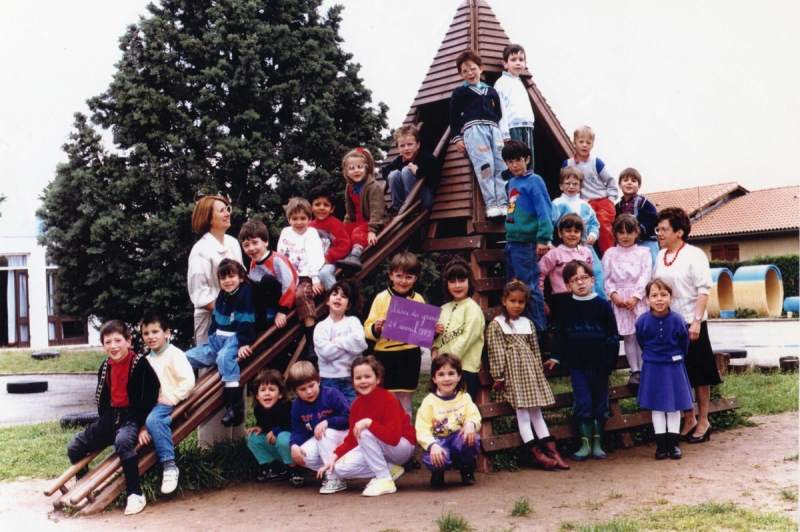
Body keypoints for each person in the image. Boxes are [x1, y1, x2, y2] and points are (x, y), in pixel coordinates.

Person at [66, 320, 159, 516]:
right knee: (74, 446)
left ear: (128, 342)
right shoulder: (106, 365)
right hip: (111, 417)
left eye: (118, 340)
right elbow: (103, 397)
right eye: (108, 342)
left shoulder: (139, 363)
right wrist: (104, 423)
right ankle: (84, 484)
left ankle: (135, 493)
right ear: (103, 345)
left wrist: (143, 426)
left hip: (133, 415)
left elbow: (150, 395)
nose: (113, 346)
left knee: (124, 440)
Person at [652, 207, 720, 444]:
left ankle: (703, 421)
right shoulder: (660, 256)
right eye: (657, 229)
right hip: (670, 323)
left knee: (700, 373)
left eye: (663, 229)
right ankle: (688, 418)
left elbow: (703, 289)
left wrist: (696, 322)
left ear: (679, 232)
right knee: (679, 373)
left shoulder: (695, 254)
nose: (659, 233)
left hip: (693, 322)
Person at [486, 281, 569, 471]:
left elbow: (535, 350)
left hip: (529, 374)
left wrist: (538, 375)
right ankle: (537, 455)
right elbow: (495, 352)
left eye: (521, 302)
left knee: (537, 413)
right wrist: (499, 377)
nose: (517, 305)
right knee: (523, 415)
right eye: (512, 301)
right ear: (504, 301)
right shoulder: (497, 325)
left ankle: (553, 452)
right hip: (512, 374)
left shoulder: (528, 323)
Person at [549, 260, 620, 461]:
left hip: (600, 365)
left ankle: (597, 443)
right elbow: (560, 334)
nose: (580, 283)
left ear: (592, 280)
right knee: (583, 403)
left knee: (600, 404)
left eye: (584, 278)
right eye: (574, 280)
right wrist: (556, 356)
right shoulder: (565, 307)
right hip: (578, 366)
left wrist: (609, 362)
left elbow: (612, 337)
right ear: (567, 285)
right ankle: (584, 444)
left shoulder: (602, 305)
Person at [316, 356, 416, 496]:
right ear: (352, 381)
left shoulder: (389, 399)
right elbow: (352, 439)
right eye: (358, 378)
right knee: (339, 468)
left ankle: (384, 479)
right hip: (380, 447)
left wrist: (369, 423)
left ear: (378, 378)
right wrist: (334, 456)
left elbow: (393, 438)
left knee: (364, 432)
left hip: (401, 447)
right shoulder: (356, 404)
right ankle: (389, 469)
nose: (363, 381)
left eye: (367, 376)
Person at [185, 259, 255, 427]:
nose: (227, 281)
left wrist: (244, 342)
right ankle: (179, 391)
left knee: (224, 358)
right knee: (185, 357)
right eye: (223, 278)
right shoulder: (223, 295)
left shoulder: (244, 293)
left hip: (234, 339)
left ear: (241, 277)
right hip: (216, 340)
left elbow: (246, 320)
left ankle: (234, 407)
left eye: (231, 276)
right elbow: (215, 318)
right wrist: (212, 337)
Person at [636, 278, 695, 460]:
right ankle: (661, 447)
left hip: (674, 367)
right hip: (653, 367)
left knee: (674, 407)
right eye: (654, 295)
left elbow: (684, 344)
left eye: (664, 295)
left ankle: (674, 445)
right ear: (647, 299)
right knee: (657, 407)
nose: (659, 299)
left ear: (671, 297)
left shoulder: (678, 320)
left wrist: (674, 359)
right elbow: (641, 342)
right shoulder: (642, 321)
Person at [364, 251, 426, 417]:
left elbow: (423, 331)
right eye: (399, 276)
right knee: (386, 402)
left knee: (406, 405)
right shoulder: (381, 298)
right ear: (390, 275)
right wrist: (376, 328)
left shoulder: (418, 299)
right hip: (385, 357)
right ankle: (387, 439)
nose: (403, 281)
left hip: (409, 357)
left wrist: (434, 330)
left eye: (409, 277)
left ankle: (407, 441)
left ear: (416, 278)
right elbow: (367, 328)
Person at [140, 312, 195, 495]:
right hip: (152, 404)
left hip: (170, 402)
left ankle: (169, 466)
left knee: (155, 421)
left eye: (155, 331)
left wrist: (172, 397)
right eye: (146, 333)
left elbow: (187, 381)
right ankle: (129, 468)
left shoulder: (174, 354)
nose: (151, 337)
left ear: (166, 333)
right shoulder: (147, 360)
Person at [502, 139, 553, 338]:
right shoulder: (512, 183)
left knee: (529, 288)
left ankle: (539, 332)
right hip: (512, 242)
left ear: (527, 159)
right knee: (512, 288)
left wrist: (543, 238)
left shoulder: (535, 181)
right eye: (510, 161)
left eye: (518, 160)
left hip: (527, 244)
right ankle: (519, 329)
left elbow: (545, 211)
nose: (514, 165)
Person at [449, 49, 508, 218]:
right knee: (485, 166)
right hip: (474, 131)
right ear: (461, 74)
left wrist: (495, 127)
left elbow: (499, 114)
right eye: (465, 70)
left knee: (501, 165)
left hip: (493, 130)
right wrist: (457, 138)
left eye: (473, 68)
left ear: (481, 68)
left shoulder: (491, 91)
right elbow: (453, 118)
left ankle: (503, 201)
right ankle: (491, 203)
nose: (470, 73)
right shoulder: (460, 92)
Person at [415, 353, 481, 487]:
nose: (446, 379)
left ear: (459, 376)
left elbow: (473, 415)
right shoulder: (429, 402)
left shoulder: (464, 397)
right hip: (439, 441)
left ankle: (466, 467)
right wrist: (432, 445)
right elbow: (422, 429)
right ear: (434, 378)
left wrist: (470, 423)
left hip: (458, 438)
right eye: (441, 374)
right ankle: (438, 472)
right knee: (435, 457)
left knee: (472, 438)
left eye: (451, 373)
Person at [602, 214, 652, 386]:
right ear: (615, 233)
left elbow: (646, 275)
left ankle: (645, 370)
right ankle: (634, 371)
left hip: (637, 299)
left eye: (629, 232)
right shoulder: (610, 253)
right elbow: (606, 277)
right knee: (628, 336)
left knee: (640, 335)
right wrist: (614, 295)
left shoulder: (643, 253)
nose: (625, 236)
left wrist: (636, 296)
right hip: (620, 300)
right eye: (621, 232)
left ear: (636, 232)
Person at [187, 195, 244, 345]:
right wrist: (229, 314)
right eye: (221, 210)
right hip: (209, 320)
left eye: (228, 209)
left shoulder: (233, 243)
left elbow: (243, 278)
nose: (227, 213)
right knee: (210, 367)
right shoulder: (200, 250)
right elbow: (200, 295)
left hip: (236, 317)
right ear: (209, 218)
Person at [287, 361, 351, 488]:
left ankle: (334, 479)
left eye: (311, 385)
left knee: (324, 433)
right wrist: (294, 445)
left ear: (319, 381)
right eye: (302, 389)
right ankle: (336, 470)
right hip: (321, 441)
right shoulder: (297, 405)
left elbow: (348, 418)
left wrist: (328, 422)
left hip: (342, 436)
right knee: (303, 455)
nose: (309, 392)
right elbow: (298, 430)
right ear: (295, 391)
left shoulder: (331, 394)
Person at [277, 197, 326, 360]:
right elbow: (281, 255)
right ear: (289, 219)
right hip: (288, 276)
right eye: (295, 219)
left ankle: (310, 340)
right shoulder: (285, 232)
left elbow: (315, 256)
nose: (299, 222)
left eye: (303, 218)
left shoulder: (311, 233)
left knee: (301, 295)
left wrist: (315, 278)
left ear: (309, 219)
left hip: (306, 276)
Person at [431, 257, 485, 402]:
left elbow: (467, 339)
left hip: (464, 370)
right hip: (443, 371)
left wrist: (448, 362)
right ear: (447, 285)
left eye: (461, 280)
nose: (457, 285)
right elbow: (436, 339)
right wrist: (435, 348)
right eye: (452, 281)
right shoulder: (443, 309)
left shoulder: (473, 309)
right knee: (443, 410)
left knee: (462, 412)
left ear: (469, 282)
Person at [562, 126, 618, 255]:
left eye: (588, 143)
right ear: (574, 143)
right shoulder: (567, 164)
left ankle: (609, 255)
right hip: (581, 202)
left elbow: (611, 182)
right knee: (579, 225)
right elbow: (564, 184)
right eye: (581, 142)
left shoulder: (596, 162)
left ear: (592, 145)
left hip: (601, 201)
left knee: (603, 225)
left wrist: (611, 199)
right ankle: (582, 255)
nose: (584, 145)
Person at [551, 166, 606, 298]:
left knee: (596, 274)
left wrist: (593, 234)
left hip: (587, 247)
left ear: (580, 186)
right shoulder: (557, 204)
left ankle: (597, 304)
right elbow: (549, 223)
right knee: (574, 276)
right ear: (560, 186)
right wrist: (547, 241)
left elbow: (594, 224)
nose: (571, 186)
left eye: (575, 183)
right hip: (567, 248)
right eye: (567, 183)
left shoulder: (585, 205)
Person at [314, 280, 367, 405]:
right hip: (329, 380)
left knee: (353, 413)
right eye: (335, 294)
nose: (338, 298)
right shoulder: (321, 327)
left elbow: (360, 343)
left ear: (348, 305)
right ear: (327, 300)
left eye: (343, 296)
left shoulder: (353, 322)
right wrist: (349, 347)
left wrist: (336, 341)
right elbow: (325, 353)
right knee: (333, 414)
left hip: (351, 378)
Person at [239, 220, 297, 331]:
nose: (251, 248)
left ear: (265, 242)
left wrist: (282, 310)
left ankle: (268, 316)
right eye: (246, 245)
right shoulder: (253, 262)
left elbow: (289, 284)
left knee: (267, 280)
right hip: (265, 303)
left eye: (255, 243)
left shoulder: (277, 259)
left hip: (284, 302)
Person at [337, 147, 389, 271]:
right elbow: (350, 212)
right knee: (342, 233)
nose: (356, 171)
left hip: (374, 221)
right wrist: (344, 228)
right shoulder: (350, 187)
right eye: (352, 168)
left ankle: (355, 255)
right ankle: (340, 255)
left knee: (358, 233)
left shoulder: (373, 187)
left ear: (366, 168)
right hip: (358, 221)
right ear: (346, 171)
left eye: (360, 167)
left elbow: (377, 210)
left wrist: (372, 230)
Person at [538, 214, 594, 320]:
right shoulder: (554, 254)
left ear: (581, 233)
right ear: (560, 233)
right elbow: (539, 275)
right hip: (561, 300)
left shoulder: (587, 252)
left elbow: (590, 275)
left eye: (576, 231)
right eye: (568, 230)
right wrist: (541, 300)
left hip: (584, 297)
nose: (572, 234)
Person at [245, 368, 295, 482]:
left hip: (291, 448)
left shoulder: (287, 407)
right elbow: (266, 423)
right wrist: (260, 427)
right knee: (251, 437)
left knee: (283, 438)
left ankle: (294, 470)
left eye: (272, 389)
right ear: (257, 395)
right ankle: (276, 469)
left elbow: (293, 428)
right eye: (262, 390)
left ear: (281, 394)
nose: (267, 393)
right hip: (276, 447)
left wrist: (277, 430)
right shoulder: (258, 409)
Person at [381, 124, 441, 215]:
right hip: (404, 204)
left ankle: (412, 208)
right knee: (394, 174)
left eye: (410, 144)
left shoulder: (425, 157)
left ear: (417, 144)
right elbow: (385, 172)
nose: (406, 148)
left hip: (423, 201)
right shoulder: (398, 161)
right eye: (402, 146)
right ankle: (396, 208)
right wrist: (394, 177)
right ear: (398, 148)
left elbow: (435, 168)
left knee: (406, 170)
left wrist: (418, 171)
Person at [495, 44, 536, 170]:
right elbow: (500, 110)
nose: (518, 63)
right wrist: (505, 134)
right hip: (513, 129)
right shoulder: (501, 83)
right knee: (516, 162)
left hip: (527, 128)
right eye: (513, 60)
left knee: (528, 161)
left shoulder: (519, 82)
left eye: (521, 59)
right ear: (505, 64)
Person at [615, 168, 660, 267]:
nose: (629, 183)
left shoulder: (643, 202)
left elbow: (653, 219)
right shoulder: (617, 206)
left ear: (639, 186)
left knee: (651, 267)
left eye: (633, 181)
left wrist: (640, 230)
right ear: (619, 185)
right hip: (628, 243)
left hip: (646, 241)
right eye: (625, 180)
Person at [308, 185, 350, 289]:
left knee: (324, 273)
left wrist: (328, 257)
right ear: (311, 207)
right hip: (312, 265)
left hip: (329, 263)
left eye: (326, 205)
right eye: (317, 204)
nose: (321, 208)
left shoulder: (336, 224)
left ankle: (335, 296)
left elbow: (344, 244)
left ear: (332, 209)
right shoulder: (308, 226)